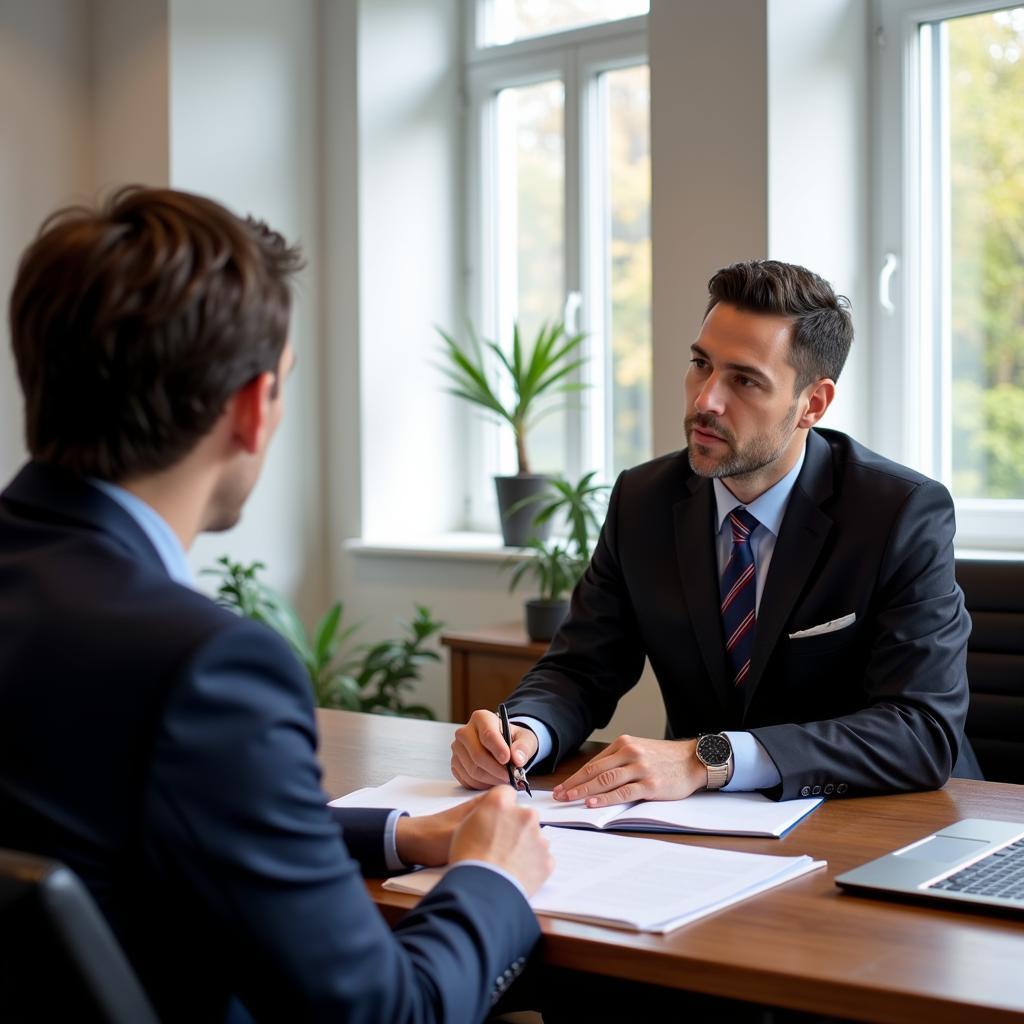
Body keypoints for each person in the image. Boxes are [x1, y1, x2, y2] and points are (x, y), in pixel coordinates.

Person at [0, 187, 552, 1023]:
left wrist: (402, 833)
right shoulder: (203, 666)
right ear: (253, 410)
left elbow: (134, 818)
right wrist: (490, 877)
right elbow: (386, 1014)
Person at [452, 259, 982, 807]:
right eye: (701, 364)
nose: (706, 399)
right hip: (701, 826)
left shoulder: (898, 512)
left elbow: (922, 730)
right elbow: (582, 666)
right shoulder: (644, 499)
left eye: (745, 380)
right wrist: (526, 732)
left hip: (887, 819)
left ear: (812, 404)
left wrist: (707, 757)